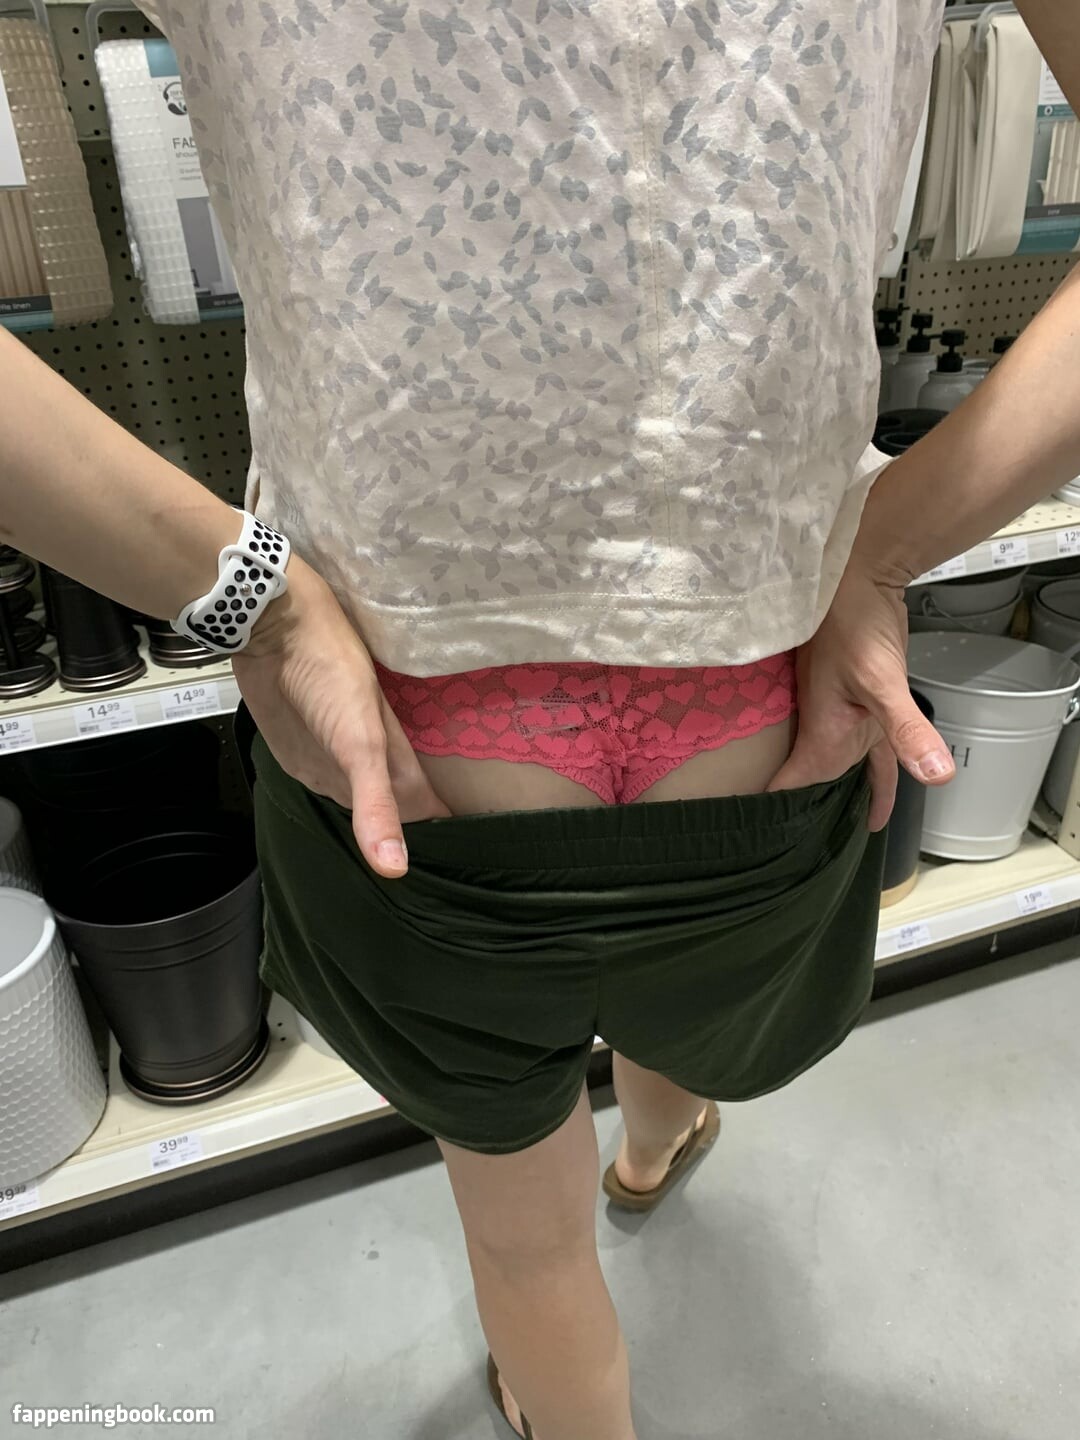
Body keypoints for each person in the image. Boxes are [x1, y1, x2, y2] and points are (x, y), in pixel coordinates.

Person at [3, 1, 1079, 1435]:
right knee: (680, 989)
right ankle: (653, 1145)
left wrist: (248, 597)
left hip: (415, 732)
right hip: (750, 696)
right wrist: (888, 548)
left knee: (523, 1238)